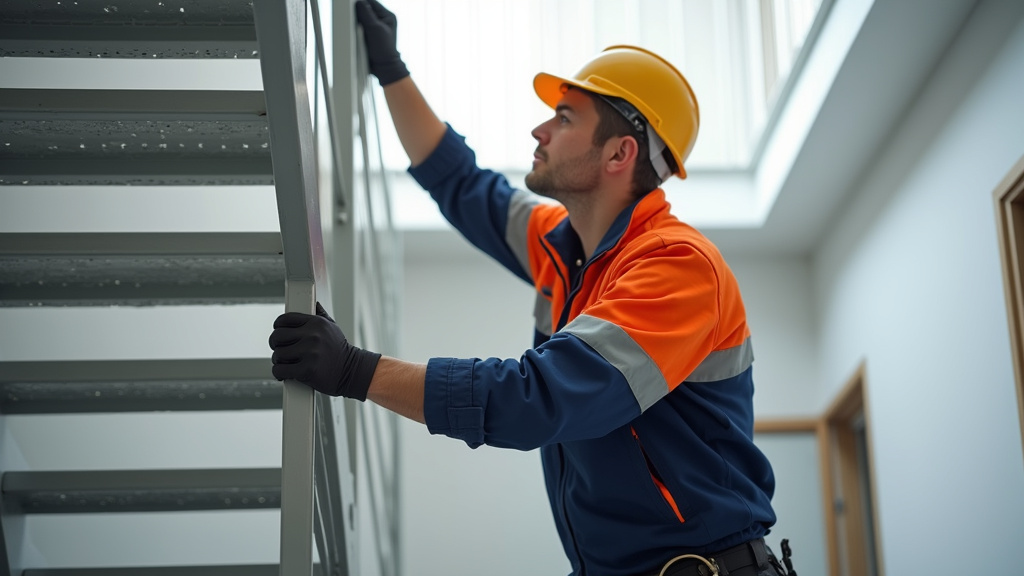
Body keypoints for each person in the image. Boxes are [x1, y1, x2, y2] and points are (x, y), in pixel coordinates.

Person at [269, 1, 790, 575]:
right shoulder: (564, 246)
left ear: (621, 152)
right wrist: (391, 68)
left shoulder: (677, 269)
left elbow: (540, 397)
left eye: (565, 117)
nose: (540, 128)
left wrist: (355, 372)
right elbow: (461, 184)